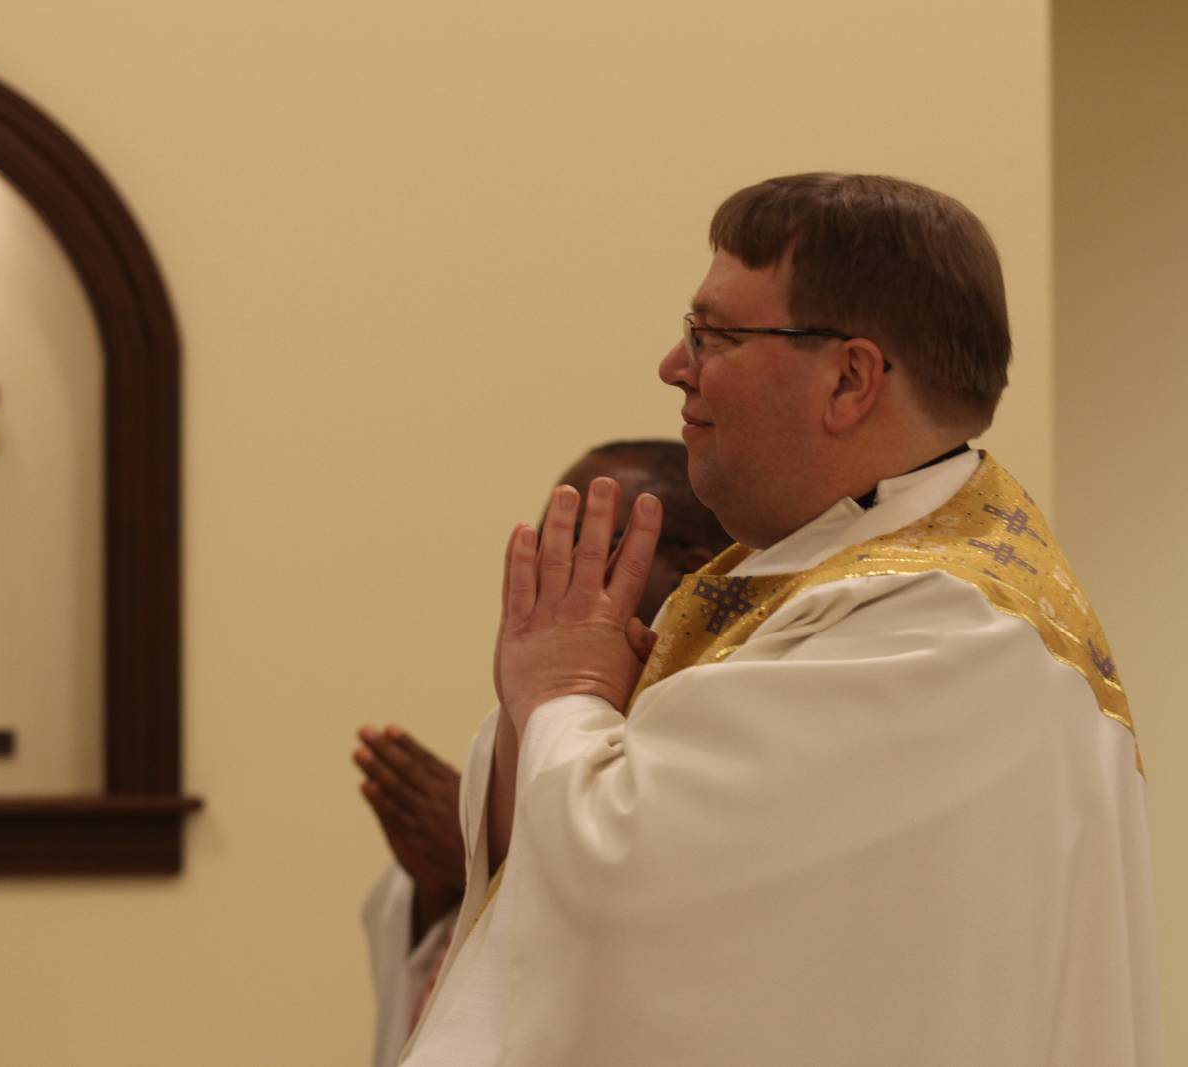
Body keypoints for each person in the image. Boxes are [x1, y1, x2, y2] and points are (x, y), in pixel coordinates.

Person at [399, 174, 1157, 1065]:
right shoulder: (829, 583)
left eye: (713, 335)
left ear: (849, 379)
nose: (674, 366)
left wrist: (564, 693)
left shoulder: (940, 625)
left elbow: (627, 886)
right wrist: (547, 712)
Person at [356, 440, 729, 1067]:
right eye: (553, 541)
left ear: (689, 572)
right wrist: (454, 877)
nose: (558, 567)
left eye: (588, 546)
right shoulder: (540, 705)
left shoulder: (720, 709)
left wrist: (508, 867)